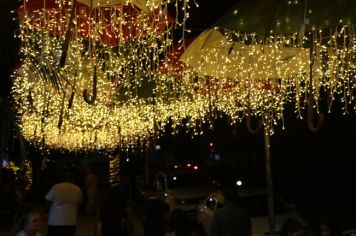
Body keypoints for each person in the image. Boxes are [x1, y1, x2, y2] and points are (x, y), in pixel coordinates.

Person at [45, 170, 83, 236]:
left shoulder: (56, 187)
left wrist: (46, 212)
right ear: (72, 178)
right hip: (70, 220)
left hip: (55, 220)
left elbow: (48, 200)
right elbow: (80, 202)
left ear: (62, 178)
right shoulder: (77, 189)